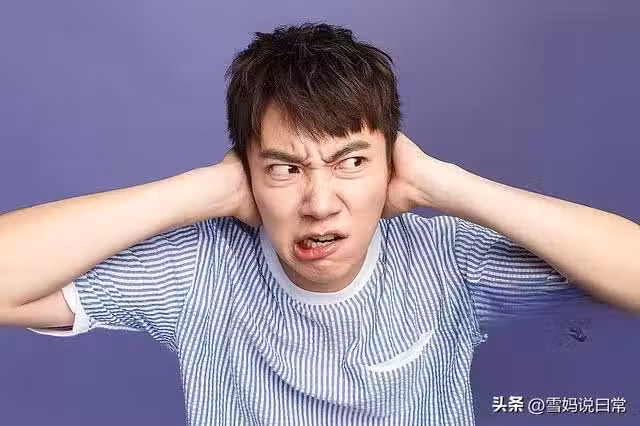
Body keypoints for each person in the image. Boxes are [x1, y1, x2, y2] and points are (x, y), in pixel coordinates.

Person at [0, 22, 638, 426]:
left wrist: (446, 185)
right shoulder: (198, 271)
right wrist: (204, 190)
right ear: (248, 173)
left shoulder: (447, 261)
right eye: (285, 169)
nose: (320, 202)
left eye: (351, 163)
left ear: (391, 164)